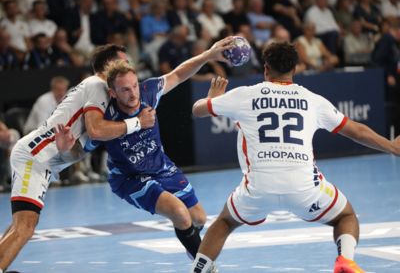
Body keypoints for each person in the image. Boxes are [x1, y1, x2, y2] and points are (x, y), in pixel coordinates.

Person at [190, 42, 400, 273]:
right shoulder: (313, 100)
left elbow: (197, 110)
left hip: (258, 188)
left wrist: (212, 98)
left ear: (266, 69)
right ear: (295, 69)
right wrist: (391, 147)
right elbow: (357, 132)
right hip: (305, 188)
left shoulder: (243, 95)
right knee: (346, 216)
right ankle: (345, 261)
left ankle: (198, 270)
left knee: (225, 222)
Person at [55, 37, 234, 271]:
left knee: (198, 218)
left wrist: (208, 55)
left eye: (134, 86)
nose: (133, 94)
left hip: (162, 168)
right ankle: (205, 267)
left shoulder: (148, 92)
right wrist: (65, 149)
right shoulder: (104, 118)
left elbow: (179, 74)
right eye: (125, 90)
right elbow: (77, 153)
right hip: (130, 178)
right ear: (112, 92)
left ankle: (191, 244)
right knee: (180, 213)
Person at [0, 44, 155, 272]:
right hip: (34, 158)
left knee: (20, 225)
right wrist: (138, 123)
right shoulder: (97, 84)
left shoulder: (102, 93)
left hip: (42, 162)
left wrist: (65, 150)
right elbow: (96, 130)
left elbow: (78, 147)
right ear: (110, 65)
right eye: (125, 62)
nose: (129, 66)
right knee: (26, 226)